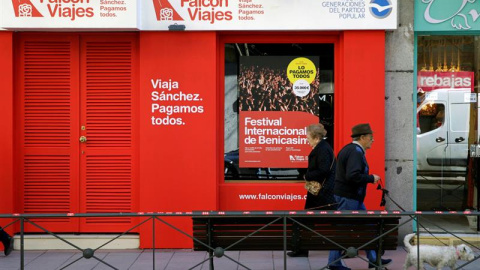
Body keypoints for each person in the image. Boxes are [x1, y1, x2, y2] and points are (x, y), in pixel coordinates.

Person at [327, 123, 392, 270]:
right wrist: (370, 178)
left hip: (350, 197)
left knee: (367, 226)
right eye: (371, 137)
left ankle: (374, 259)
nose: (373, 140)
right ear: (362, 137)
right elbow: (352, 175)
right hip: (349, 198)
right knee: (343, 230)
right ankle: (334, 263)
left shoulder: (350, 149)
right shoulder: (356, 152)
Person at [287, 123, 336, 258]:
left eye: (308, 137)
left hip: (321, 193)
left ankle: (302, 249)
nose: (306, 139)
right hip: (320, 192)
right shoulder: (322, 147)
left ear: (315, 137)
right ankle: (302, 249)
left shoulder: (322, 149)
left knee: (305, 220)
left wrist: (307, 175)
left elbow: (324, 170)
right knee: (308, 220)